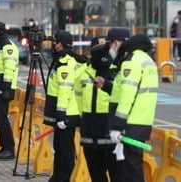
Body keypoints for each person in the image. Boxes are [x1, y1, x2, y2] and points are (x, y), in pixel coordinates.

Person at [95, 34, 158, 182]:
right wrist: (107, 85)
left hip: (129, 124)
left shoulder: (131, 62)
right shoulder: (147, 61)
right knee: (133, 168)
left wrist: (117, 126)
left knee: (129, 172)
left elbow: (127, 96)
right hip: (142, 122)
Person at [76, 33, 128, 182]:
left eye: (103, 49)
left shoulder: (117, 71)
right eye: (96, 50)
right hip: (89, 132)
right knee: (96, 176)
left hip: (110, 132)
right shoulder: (83, 72)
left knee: (117, 175)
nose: (101, 54)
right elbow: (77, 98)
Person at [43, 30, 87, 182]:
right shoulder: (62, 59)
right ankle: (58, 177)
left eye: (54, 42)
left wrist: (61, 115)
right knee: (60, 148)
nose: (53, 44)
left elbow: (65, 90)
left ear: (60, 44)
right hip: (65, 112)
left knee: (65, 150)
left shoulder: (66, 62)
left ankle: (63, 178)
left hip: (66, 113)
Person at [0, 21, 19, 160]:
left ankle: (9, 149)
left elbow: (9, 67)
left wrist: (6, 87)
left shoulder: (7, 46)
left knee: (2, 119)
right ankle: (4, 147)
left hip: (3, 87)